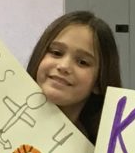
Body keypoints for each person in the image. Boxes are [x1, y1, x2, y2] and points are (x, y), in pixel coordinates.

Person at [27, 11, 123, 140]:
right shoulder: (0, 118)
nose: (64, 66)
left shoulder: (102, 149)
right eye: (56, 53)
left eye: (82, 62)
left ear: (98, 82)